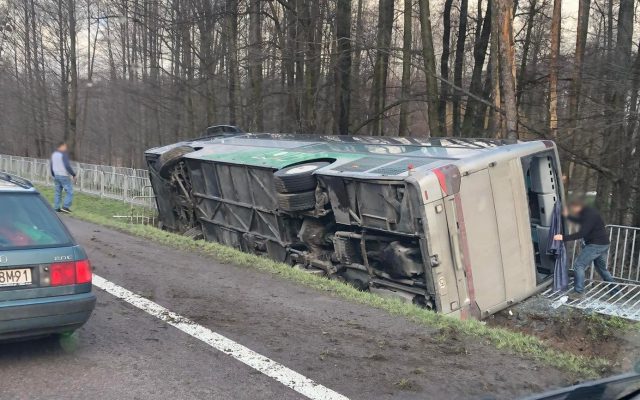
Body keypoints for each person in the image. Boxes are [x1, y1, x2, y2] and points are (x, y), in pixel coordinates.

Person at [553, 195, 616, 298]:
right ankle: (616, 292)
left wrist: (563, 237)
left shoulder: (589, 214)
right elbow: (580, 221)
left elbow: (582, 233)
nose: (573, 210)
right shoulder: (587, 212)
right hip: (603, 244)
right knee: (602, 269)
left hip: (595, 245)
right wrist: (567, 216)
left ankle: (579, 292)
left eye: (573, 208)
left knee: (579, 265)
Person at [50, 142, 77, 213]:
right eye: (64, 146)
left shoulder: (54, 154)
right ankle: (65, 207)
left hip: (56, 175)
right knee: (70, 191)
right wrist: (73, 174)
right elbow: (67, 166)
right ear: (61, 146)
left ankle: (56, 208)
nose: (65, 148)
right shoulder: (63, 154)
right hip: (63, 175)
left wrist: (53, 174)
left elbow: (51, 165)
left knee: (58, 192)